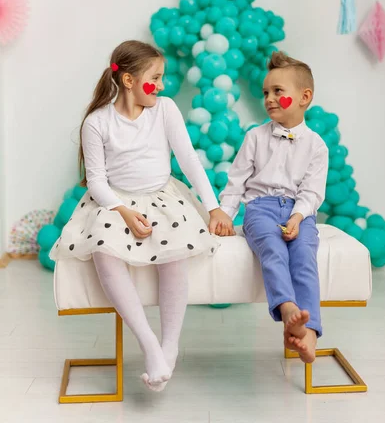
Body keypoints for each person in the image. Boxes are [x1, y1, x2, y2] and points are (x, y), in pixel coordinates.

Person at [50, 40, 233, 391]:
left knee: (173, 253)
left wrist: (212, 206)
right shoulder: (97, 123)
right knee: (103, 249)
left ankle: (170, 345)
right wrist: (124, 211)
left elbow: (189, 160)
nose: (161, 85)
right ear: (130, 81)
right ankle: (149, 343)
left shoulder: (164, 110)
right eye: (156, 78)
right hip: (115, 200)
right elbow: (97, 181)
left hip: (163, 196)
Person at [212, 51, 328, 363]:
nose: (269, 98)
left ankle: (311, 334)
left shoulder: (316, 146)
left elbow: (312, 190)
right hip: (260, 209)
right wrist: (226, 212)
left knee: (304, 255)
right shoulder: (255, 137)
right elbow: (236, 181)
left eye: (278, 91)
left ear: (304, 97)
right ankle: (287, 307)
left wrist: (298, 216)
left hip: (298, 211)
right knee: (272, 250)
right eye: (266, 92)